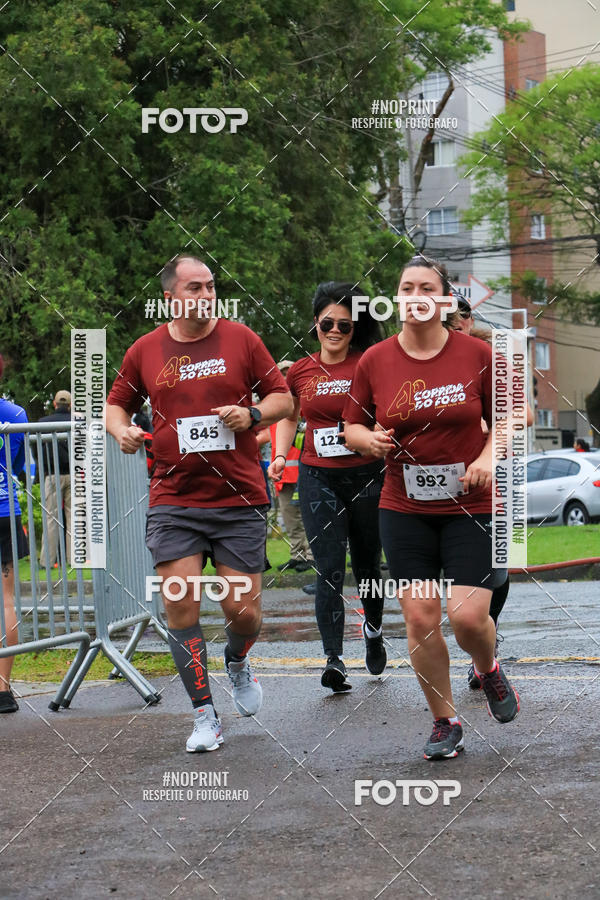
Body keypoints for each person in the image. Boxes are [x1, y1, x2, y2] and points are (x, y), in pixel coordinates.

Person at [106, 255, 292, 752]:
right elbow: (116, 404)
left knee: (242, 611)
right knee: (180, 602)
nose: (206, 295)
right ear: (170, 296)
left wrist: (253, 414)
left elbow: (283, 398)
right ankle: (204, 714)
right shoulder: (146, 349)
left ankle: (237, 658)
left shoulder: (241, 339)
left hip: (238, 498)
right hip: (175, 498)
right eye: (195, 287)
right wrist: (122, 431)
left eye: (210, 286)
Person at [344, 256, 522, 760]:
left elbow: (512, 415)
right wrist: (367, 440)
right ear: (397, 297)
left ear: (445, 300)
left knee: (467, 618)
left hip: (472, 504)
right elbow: (350, 426)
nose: (416, 296)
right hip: (404, 507)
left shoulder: (477, 353)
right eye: (407, 287)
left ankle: (488, 667)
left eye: (427, 288)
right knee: (421, 618)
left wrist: (487, 457)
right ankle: (445, 721)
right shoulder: (374, 360)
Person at [269, 282, 384, 692]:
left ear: (355, 329)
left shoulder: (369, 363)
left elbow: (386, 409)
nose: (335, 331)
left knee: (367, 566)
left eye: (345, 325)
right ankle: (333, 659)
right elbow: (289, 415)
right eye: (327, 323)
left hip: (367, 475)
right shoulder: (300, 370)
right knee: (329, 568)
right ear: (315, 324)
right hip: (318, 477)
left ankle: (373, 629)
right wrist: (280, 455)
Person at [448, 296, 512, 689]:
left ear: (469, 322)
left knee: (498, 572)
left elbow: (519, 413)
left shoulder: (489, 356)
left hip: (492, 473)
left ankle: (487, 641)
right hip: (440, 480)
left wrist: (486, 428)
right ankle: (479, 646)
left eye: (456, 324)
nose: (450, 332)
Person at [0, 354, 29, 713]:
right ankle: (3, 689)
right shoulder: (16, 413)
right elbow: (17, 464)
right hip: (5, 509)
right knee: (5, 601)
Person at [269, 361, 313, 573]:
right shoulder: (273, 403)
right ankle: (297, 555)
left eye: (289, 373)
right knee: (289, 517)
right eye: (282, 374)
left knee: (308, 516)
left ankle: (312, 556)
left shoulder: (305, 400)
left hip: (303, 470)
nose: (286, 378)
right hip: (283, 472)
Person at [37, 390, 72, 568]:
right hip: (75, 475)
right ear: (71, 405)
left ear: (54, 404)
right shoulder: (78, 422)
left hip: (51, 474)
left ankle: (47, 561)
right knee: (75, 517)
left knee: (50, 518)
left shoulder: (43, 423)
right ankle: (74, 558)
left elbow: (36, 450)